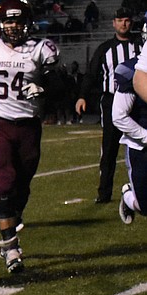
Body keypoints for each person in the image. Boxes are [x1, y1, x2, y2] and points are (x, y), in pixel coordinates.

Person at [0, 0, 62, 273]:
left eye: (18, 21)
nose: (14, 27)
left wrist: (43, 89)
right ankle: (11, 248)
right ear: (0, 24)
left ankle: (12, 221)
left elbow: (59, 84)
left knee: (21, 185)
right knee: (3, 183)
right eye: (9, 21)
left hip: (28, 125)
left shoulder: (40, 50)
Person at [75, 7, 142, 204]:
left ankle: (139, 188)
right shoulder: (104, 48)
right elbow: (91, 74)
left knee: (140, 144)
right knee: (109, 148)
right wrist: (82, 96)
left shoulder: (140, 46)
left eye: (127, 20)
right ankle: (104, 193)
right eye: (120, 20)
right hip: (112, 101)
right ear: (113, 23)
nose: (124, 23)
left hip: (138, 100)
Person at [112, 56, 147, 223]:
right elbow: (118, 116)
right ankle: (128, 195)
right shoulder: (131, 70)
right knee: (145, 207)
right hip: (141, 147)